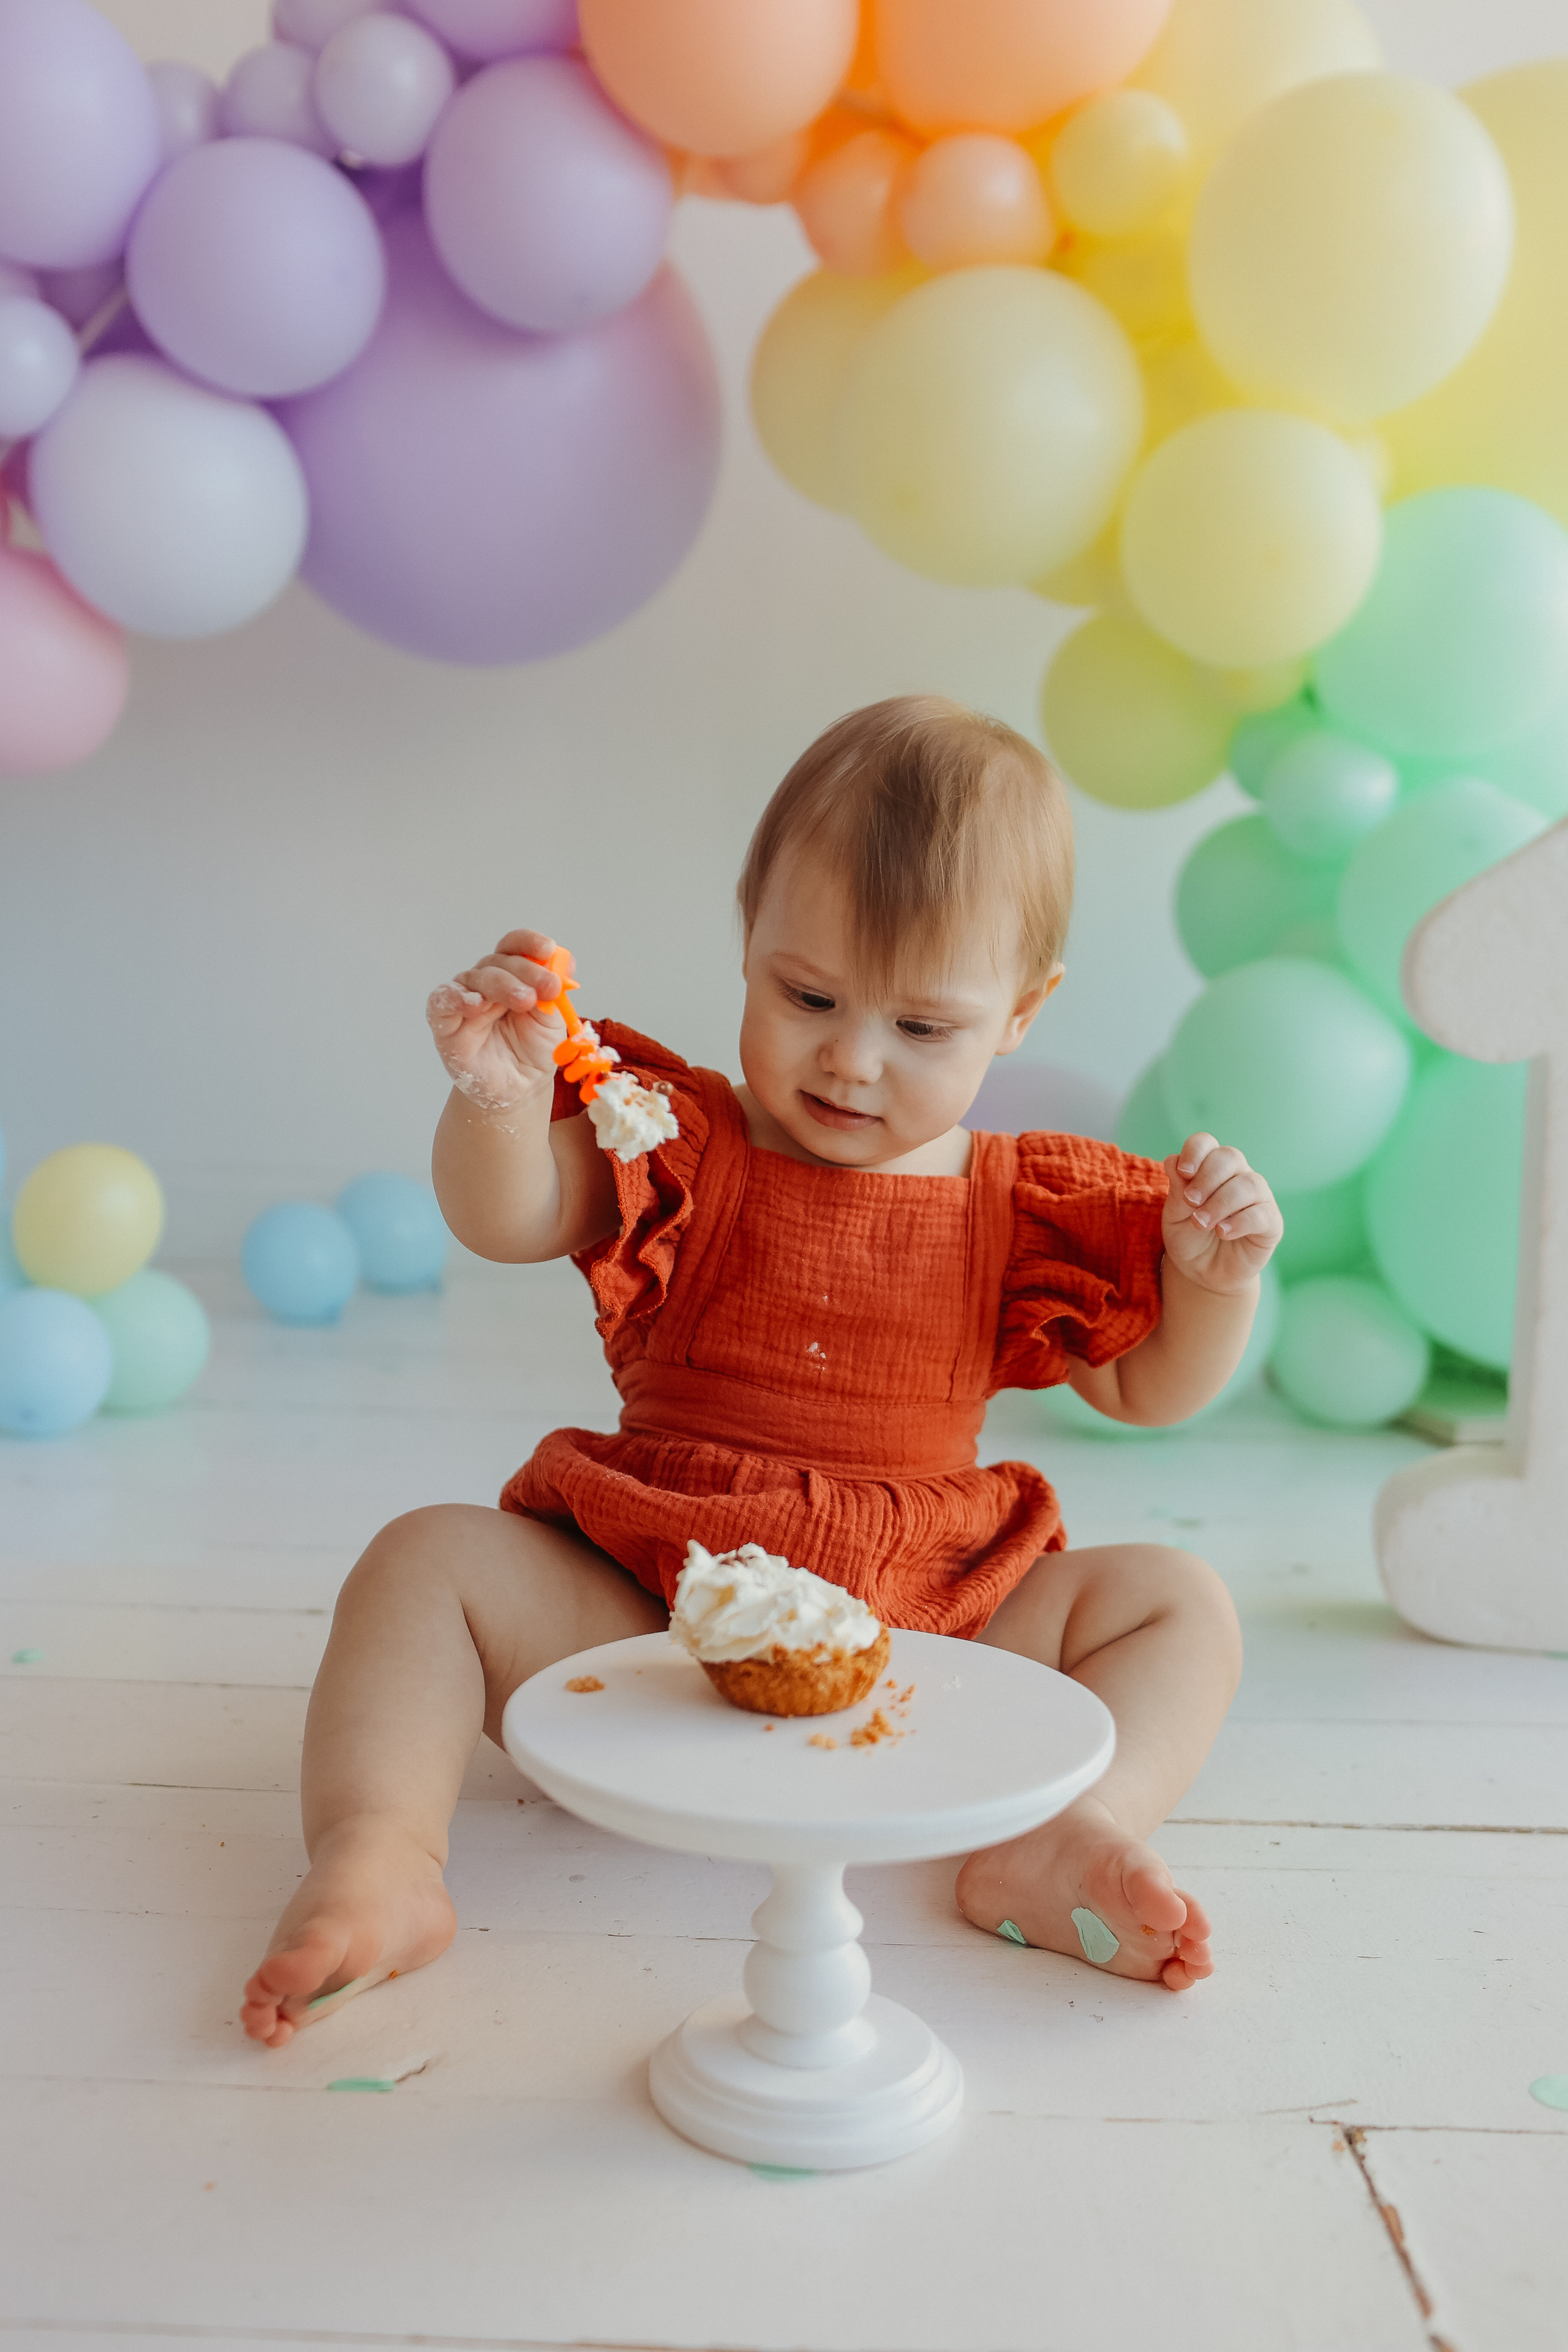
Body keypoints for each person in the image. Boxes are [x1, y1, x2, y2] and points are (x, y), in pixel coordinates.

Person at [241, 695, 1280, 2048]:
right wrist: (495, 1099)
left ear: (1019, 1014)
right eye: (807, 997)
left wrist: (1211, 1281)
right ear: (749, 947)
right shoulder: (682, 1142)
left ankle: (1064, 1836)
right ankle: (383, 1856)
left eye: (922, 1030)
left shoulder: (1015, 1207)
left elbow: (1148, 1394)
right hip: (657, 1618)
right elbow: (507, 1217)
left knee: (1175, 1603)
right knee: (423, 1560)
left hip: (931, 1641)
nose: (850, 1060)